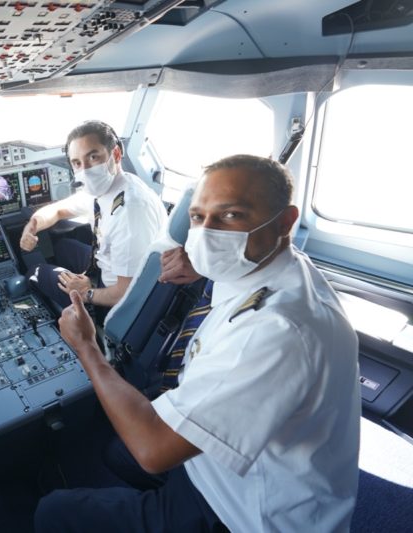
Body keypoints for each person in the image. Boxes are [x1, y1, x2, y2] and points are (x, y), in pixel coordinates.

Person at [34, 154, 361, 532]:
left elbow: (154, 450)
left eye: (230, 215)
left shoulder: (279, 331)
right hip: (232, 464)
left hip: (244, 513)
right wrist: (205, 266)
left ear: (285, 221)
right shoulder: (281, 265)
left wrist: (87, 348)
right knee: (117, 454)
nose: (207, 232)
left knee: (54, 512)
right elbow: (240, 258)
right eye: (197, 217)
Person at [21, 121, 167, 311]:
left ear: (115, 154)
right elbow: (58, 210)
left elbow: (128, 293)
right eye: (77, 163)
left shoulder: (131, 211)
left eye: (93, 156)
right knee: (63, 247)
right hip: (105, 267)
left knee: (36, 271)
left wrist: (86, 293)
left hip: (115, 294)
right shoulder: (109, 188)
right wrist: (31, 227)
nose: (85, 169)